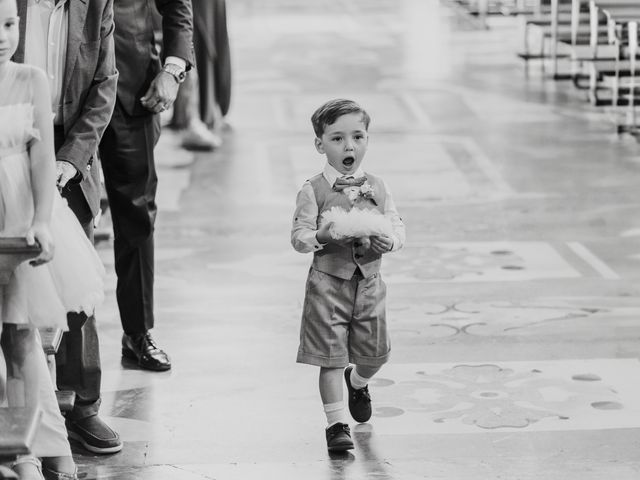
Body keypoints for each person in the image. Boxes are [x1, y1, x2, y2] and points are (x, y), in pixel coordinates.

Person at [0, 0, 106, 477]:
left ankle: (43, 451)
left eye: (9, 24)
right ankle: (17, 452)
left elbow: (42, 160)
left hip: (18, 217)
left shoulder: (30, 80)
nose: (3, 36)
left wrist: (42, 219)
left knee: (21, 336)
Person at [291, 99, 406, 452]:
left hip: (369, 283)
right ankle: (336, 424)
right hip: (327, 284)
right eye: (338, 138)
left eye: (357, 136)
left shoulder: (379, 186)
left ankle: (357, 381)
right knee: (329, 357)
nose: (349, 146)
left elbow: (396, 223)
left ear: (368, 140)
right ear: (320, 144)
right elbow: (299, 237)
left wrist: (392, 240)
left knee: (375, 354)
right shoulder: (313, 190)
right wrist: (324, 236)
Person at [99, 0, 193, 372]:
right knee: (57, 212)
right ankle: (55, 337)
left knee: (136, 212)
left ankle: (137, 332)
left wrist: (172, 70)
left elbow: (178, 8)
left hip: (131, 85)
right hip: (62, 89)